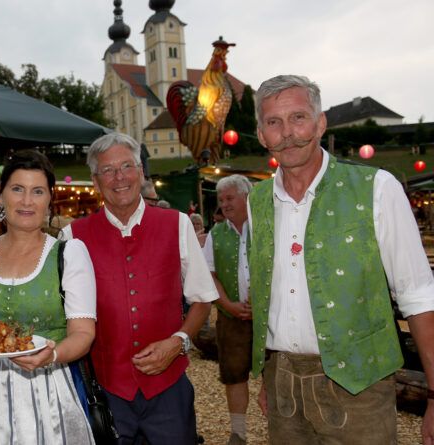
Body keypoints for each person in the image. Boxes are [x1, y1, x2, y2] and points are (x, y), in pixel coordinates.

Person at [249, 74, 434, 444]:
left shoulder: (377, 188)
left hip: (360, 389)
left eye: (298, 117)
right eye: (274, 122)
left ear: (321, 123)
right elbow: (267, 295)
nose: (287, 133)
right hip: (282, 384)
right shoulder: (257, 201)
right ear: (260, 134)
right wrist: (269, 375)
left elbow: (418, 295)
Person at [61, 132, 218, 444]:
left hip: (169, 390)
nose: (119, 177)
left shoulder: (178, 224)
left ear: (141, 172)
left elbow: (202, 300)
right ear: (95, 181)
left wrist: (179, 342)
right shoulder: (72, 236)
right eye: (107, 170)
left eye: (127, 166)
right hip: (107, 391)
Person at [0, 149, 97, 444]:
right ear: (1, 196)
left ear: (49, 200)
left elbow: (83, 333)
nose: (27, 201)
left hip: (49, 390)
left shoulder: (68, 254)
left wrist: (51, 355)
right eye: (17, 189)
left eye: (37, 191)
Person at [201, 174, 253, 445]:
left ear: (247, 196)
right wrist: (228, 305)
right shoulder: (216, 234)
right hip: (231, 316)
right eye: (221, 199)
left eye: (230, 198)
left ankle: (283, 427)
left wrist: (263, 303)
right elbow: (208, 275)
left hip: (271, 316)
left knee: (278, 374)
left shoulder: (267, 227)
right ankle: (239, 432)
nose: (224, 204)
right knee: (234, 374)